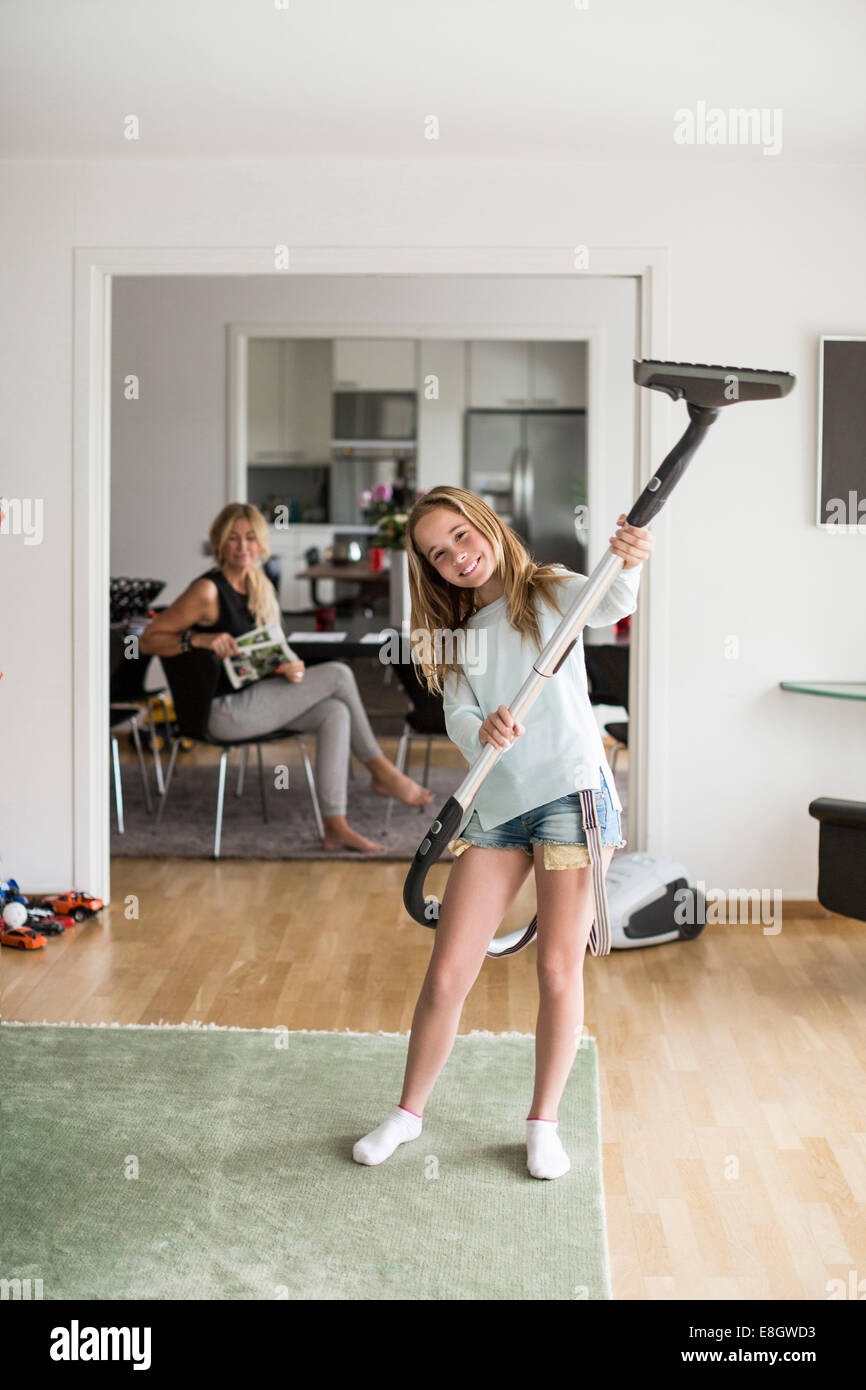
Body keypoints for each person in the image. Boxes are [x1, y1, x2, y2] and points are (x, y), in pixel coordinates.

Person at [353, 485, 655, 1177]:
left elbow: (615, 601)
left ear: (484, 525)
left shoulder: (550, 592)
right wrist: (479, 728)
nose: (457, 555)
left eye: (460, 535)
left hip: (570, 794)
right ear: (428, 569)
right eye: (438, 552)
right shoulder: (451, 635)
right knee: (448, 972)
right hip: (498, 804)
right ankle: (406, 1114)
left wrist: (631, 557)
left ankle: (543, 1125)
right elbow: (459, 713)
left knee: (556, 966)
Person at [139, 502, 433, 853]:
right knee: (339, 674)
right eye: (233, 539)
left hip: (256, 698)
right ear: (219, 542)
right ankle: (382, 771)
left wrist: (289, 664)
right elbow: (148, 639)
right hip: (221, 712)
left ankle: (335, 826)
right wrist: (198, 639)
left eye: (250, 538)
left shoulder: (258, 585)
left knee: (334, 713)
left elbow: (271, 646)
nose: (242, 546)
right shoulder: (208, 591)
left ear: (261, 543)